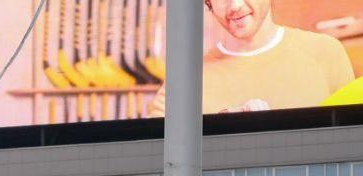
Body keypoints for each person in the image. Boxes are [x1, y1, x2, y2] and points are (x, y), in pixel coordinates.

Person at [149, 0, 356, 117]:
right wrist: (220, 130)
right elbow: (155, 160)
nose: (235, 6)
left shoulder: (326, 52)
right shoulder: (185, 78)